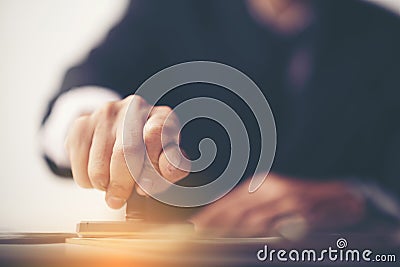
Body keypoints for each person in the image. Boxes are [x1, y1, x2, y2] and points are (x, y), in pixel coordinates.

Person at [40, 0, 400, 237]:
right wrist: (95, 124)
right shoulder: (166, 11)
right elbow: (90, 82)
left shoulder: (387, 35)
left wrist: (362, 199)